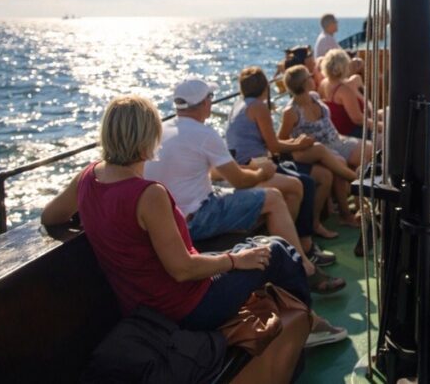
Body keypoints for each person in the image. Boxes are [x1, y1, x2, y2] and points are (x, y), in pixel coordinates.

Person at [40, 95, 310, 382]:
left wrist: (99, 218)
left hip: (141, 306)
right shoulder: (147, 194)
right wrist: (234, 261)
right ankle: (306, 327)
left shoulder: (87, 178)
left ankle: (300, 328)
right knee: (277, 251)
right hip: (185, 308)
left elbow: (50, 217)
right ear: (149, 137)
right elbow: (181, 269)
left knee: (253, 250)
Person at [145, 77, 345, 295]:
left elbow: (199, 171)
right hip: (199, 216)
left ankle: (278, 257)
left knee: (269, 196)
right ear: (204, 103)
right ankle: (304, 267)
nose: (211, 102)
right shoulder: (204, 134)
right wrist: (262, 172)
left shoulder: (160, 130)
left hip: (172, 218)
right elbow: (239, 181)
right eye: (210, 98)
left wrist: (246, 170)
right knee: (274, 197)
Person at [225, 66, 341, 252]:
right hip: (256, 166)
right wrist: (299, 144)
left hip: (248, 162)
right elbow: (274, 146)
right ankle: (305, 243)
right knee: (307, 183)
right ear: (265, 88)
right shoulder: (259, 107)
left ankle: (312, 228)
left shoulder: (239, 105)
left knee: (323, 175)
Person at [280, 64, 372, 227]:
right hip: (319, 148)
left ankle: (362, 205)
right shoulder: (291, 112)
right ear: (303, 83)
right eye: (309, 76)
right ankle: (347, 214)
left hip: (337, 140)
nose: (312, 77)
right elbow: (281, 140)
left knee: (370, 149)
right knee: (339, 164)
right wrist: (299, 143)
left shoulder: (314, 96)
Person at [318, 48, 372, 139]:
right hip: (351, 132)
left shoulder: (323, 84)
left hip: (336, 130)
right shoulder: (344, 90)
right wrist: (381, 126)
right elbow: (358, 119)